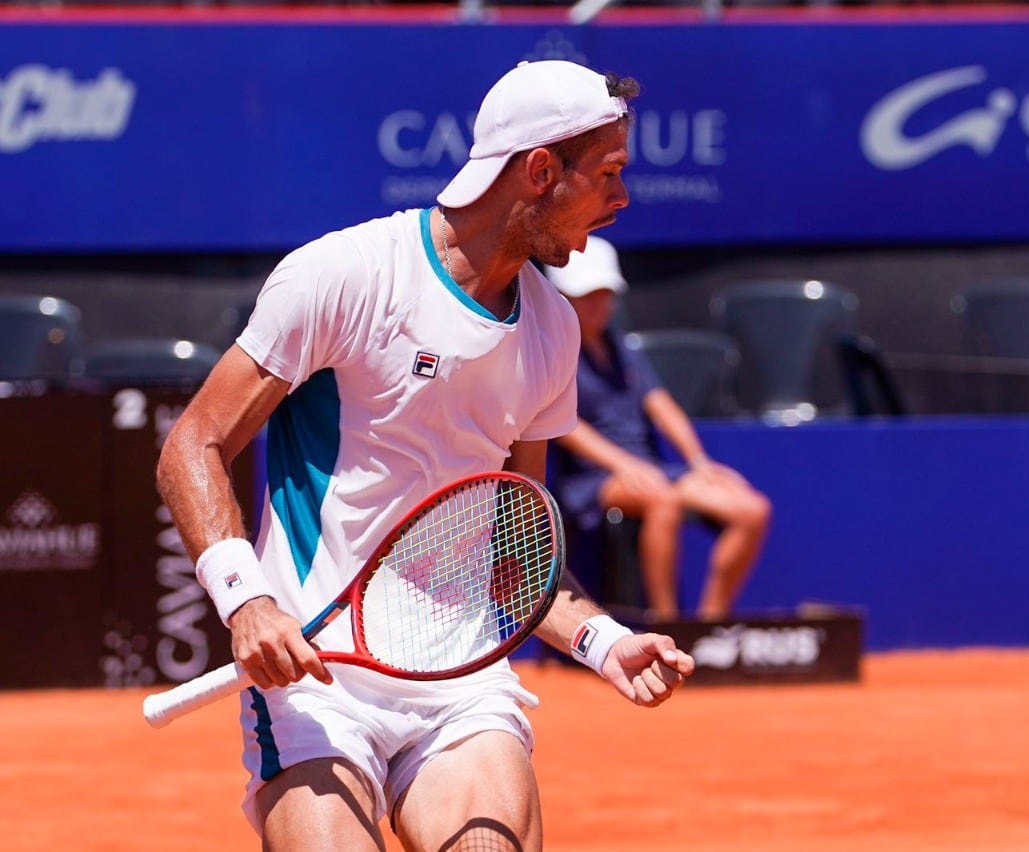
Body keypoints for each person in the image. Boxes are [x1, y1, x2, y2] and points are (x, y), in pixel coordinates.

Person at [155, 60, 695, 852]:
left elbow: (519, 551)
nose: (621, 201)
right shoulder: (345, 276)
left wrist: (605, 641)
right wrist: (248, 601)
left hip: (460, 683)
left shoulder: (553, 330)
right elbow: (191, 445)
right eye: (608, 174)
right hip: (316, 686)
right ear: (540, 171)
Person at [545, 236, 772, 622]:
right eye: (587, 296)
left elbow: (663, 407)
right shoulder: (553, 349)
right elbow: (561, 426)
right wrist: (623, 465)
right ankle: (667, 624)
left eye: (605, 295)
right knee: (662, 500)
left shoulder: (623, 350)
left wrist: (698, 461)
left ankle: (710, 624)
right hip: (592, 481)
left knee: (752, 510)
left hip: (652, 471)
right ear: (562, 297)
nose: (599, 305)